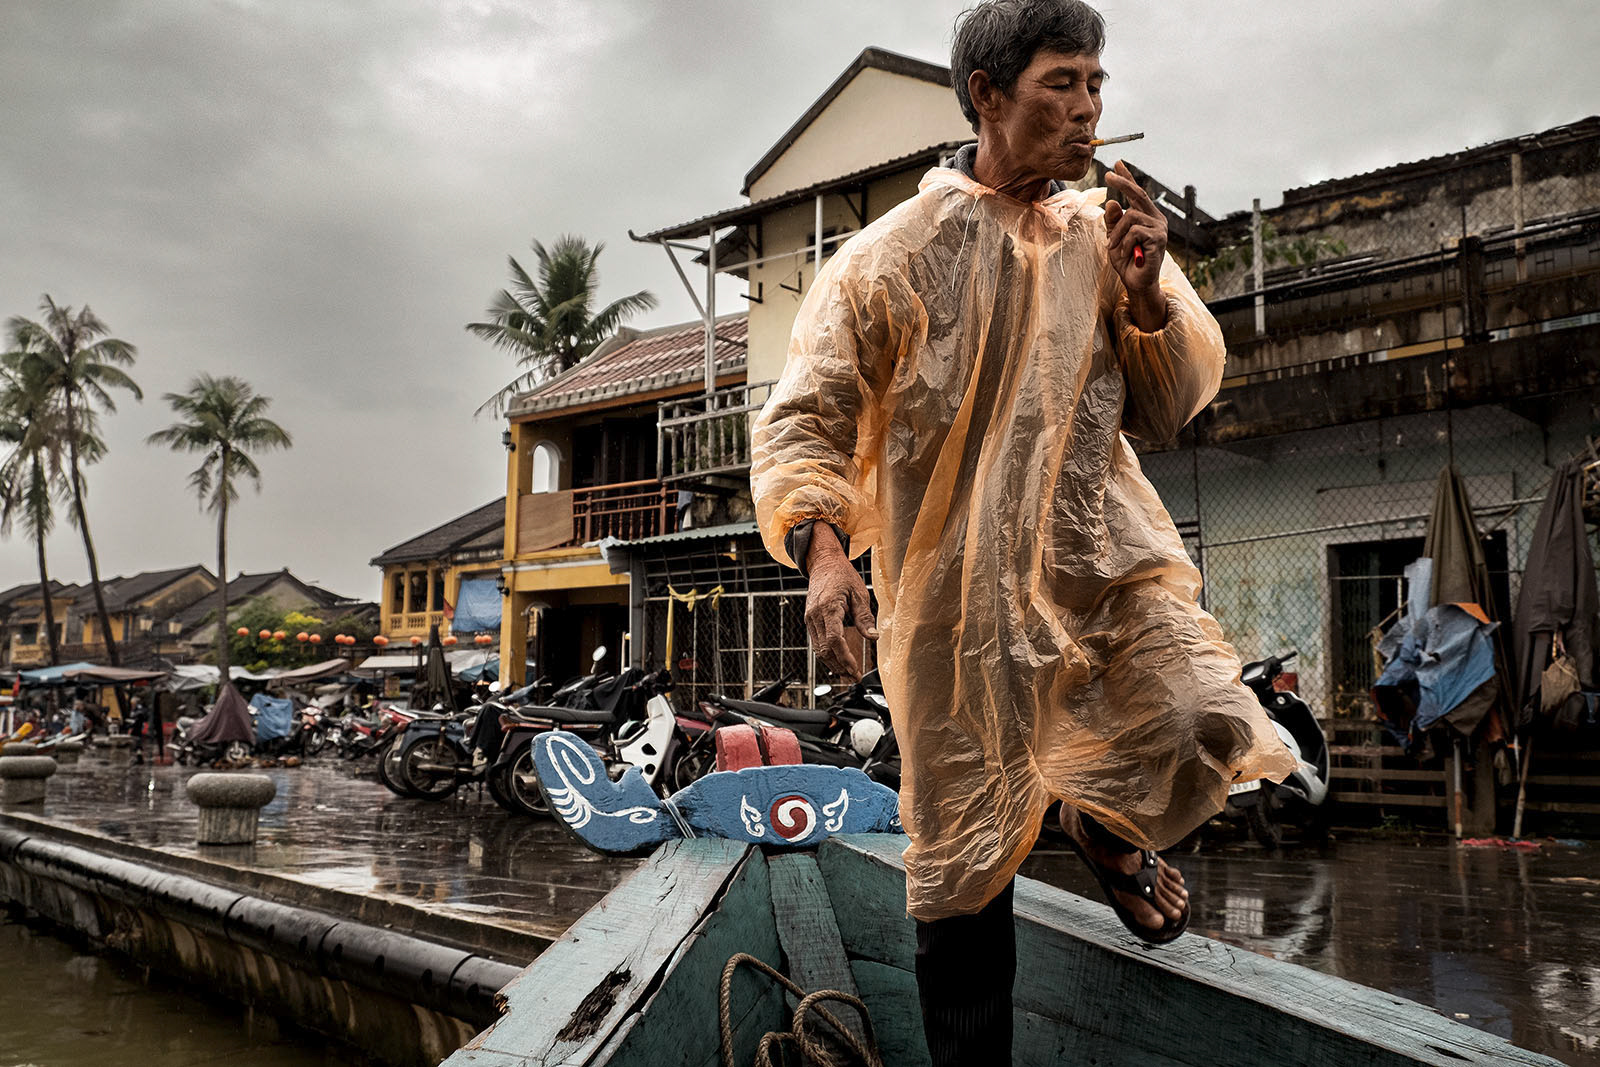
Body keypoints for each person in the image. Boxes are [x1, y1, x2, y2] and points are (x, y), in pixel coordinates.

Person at [749, 2, 1298, 1062]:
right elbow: (809, 412)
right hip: (959, 599)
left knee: (1205, 722)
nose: (1090, 108)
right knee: (962, 866)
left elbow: (1173, 398)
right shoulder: (887, 257)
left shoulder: (1106, 236)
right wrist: (825, 551)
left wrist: (1144, 297)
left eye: (1097, 83)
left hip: (1101, 554)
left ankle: (1102, 821)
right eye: (1064, 83)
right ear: (987, 95)